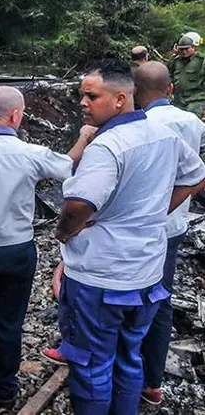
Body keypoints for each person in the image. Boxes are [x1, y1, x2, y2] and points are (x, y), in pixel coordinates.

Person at [49, 58, 205, 415]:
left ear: (120, 99)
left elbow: (78, 205)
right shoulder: (164, 133)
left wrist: (63, 233)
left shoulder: (107, 146)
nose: (82, 103)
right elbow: (196, 176)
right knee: (129, 355)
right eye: (81, 95)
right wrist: (155, 211)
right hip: (147, 273)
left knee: (92, 363)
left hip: (102, 278)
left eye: (91, 96)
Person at [0, 86, 96, 409]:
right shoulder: (30, 154)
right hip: (17, 250)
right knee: (10, 323)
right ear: (16, 115)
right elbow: (67, 166)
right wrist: (84, 137)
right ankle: (7, 389)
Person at [133, 61, 205, 405]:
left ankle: (114, 368)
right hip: (174, 224)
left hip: (137, 227)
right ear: (171, 90)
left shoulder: (138, 124)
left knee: (123, 297)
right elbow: (196, 171)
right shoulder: (191, 121)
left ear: (133, 93)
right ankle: (151, 381)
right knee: (160, 300)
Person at [169, 31, 205, 117]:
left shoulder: (201, 60)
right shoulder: (176, 61)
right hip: (179, 99)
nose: (184, 51)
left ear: (193, 47)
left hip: (196, 99)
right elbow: (168, 73)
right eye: (181, 49)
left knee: (192, 121)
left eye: (187, 49)